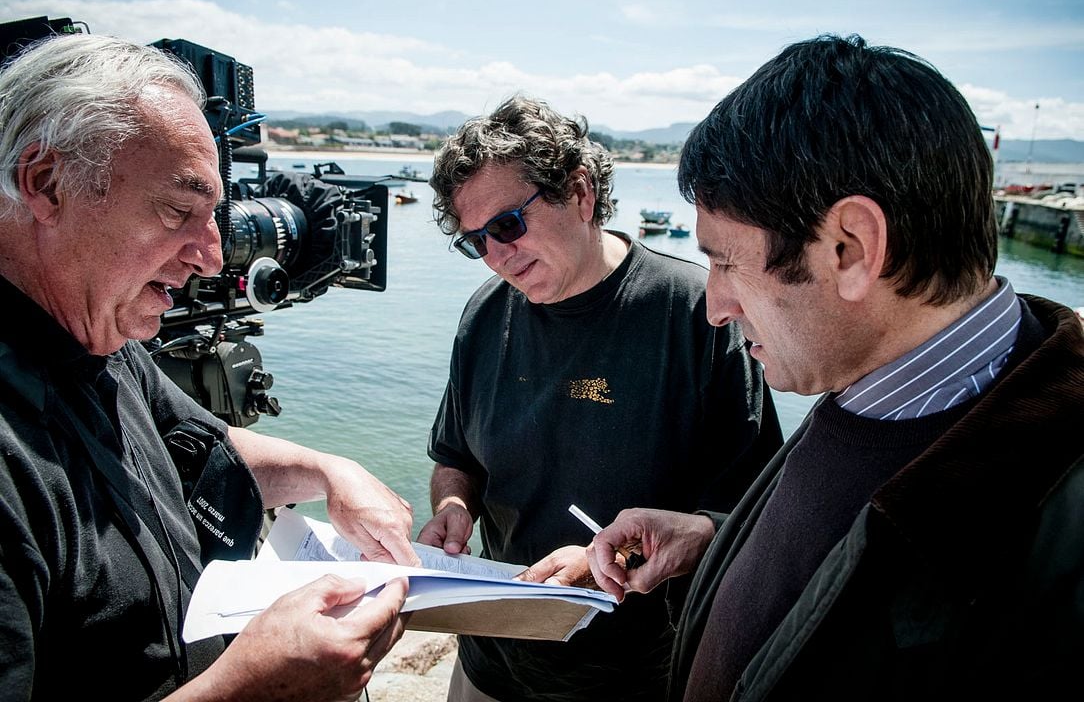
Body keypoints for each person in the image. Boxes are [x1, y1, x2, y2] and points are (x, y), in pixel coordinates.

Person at [587, 34, 1084, 701]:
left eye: (726, 261)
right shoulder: (878, 383)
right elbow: (859, 569)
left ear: (851, 248)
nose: (714, 306)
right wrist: (717, 540)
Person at [0, 34, 419, 701]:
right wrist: (252, 687)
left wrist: (330, 472)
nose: (213, 256)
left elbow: (198, 446)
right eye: (178, 210)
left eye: (216, 214)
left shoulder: (102, 342)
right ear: (46, 183)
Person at [417, 95, 782, 701]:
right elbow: (457, 455)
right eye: (475, 241)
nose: (497, 256)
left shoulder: (697, 315)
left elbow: (749, 516)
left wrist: (612, 558)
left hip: (635, 676)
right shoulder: (484, 313)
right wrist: (454, 506)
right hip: (490, 660)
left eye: (508, 225)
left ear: (580, 193)